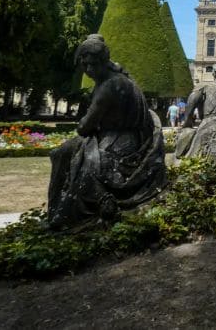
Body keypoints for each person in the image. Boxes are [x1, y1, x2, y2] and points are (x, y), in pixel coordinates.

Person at [47, 34, 167, 228]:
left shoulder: (109, 87)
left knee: (64, 155)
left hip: (118, 143)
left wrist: (86, 124)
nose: (88, 70)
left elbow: (84, 127)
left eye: (92, 64)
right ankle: (60, 211)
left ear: (103, 61)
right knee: (63, 153)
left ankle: (61, 213)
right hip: (130, 141)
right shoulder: (122, 79)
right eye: (84, 65)